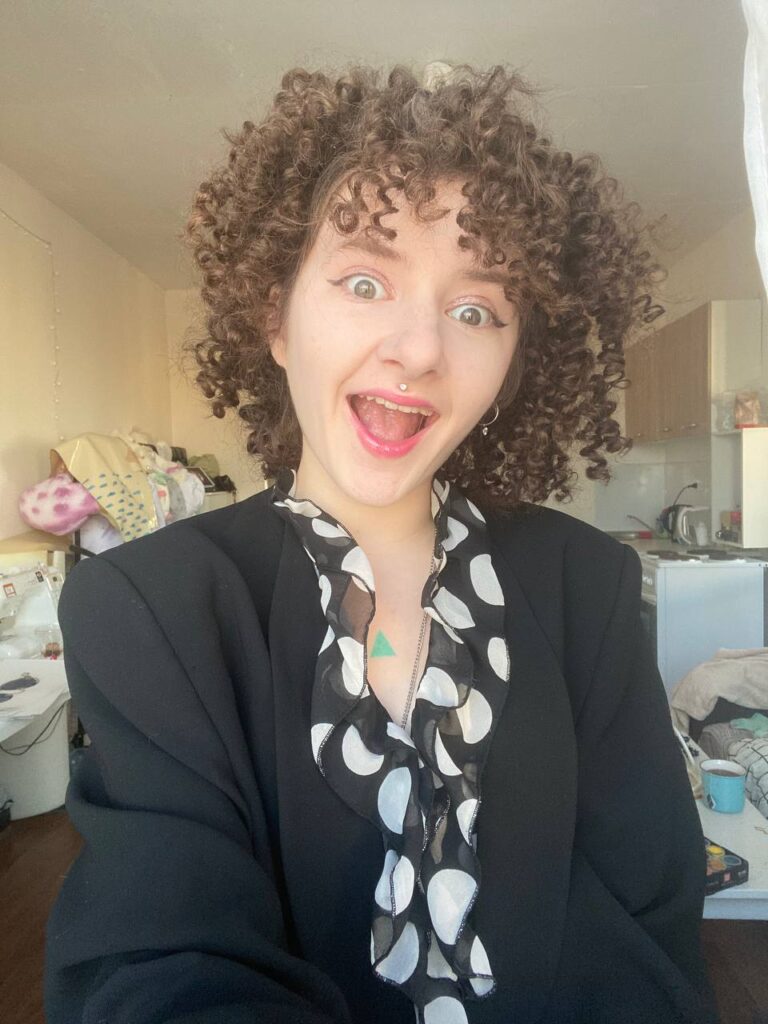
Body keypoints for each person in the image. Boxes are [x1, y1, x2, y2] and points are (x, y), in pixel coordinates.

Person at [44, 63, 718, 1024]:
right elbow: (160, 962)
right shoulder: (151, 608)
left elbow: (650, 925)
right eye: (365, 281)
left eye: (476, 310)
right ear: (276, 318)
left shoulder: (586, 586)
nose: (421, 348)